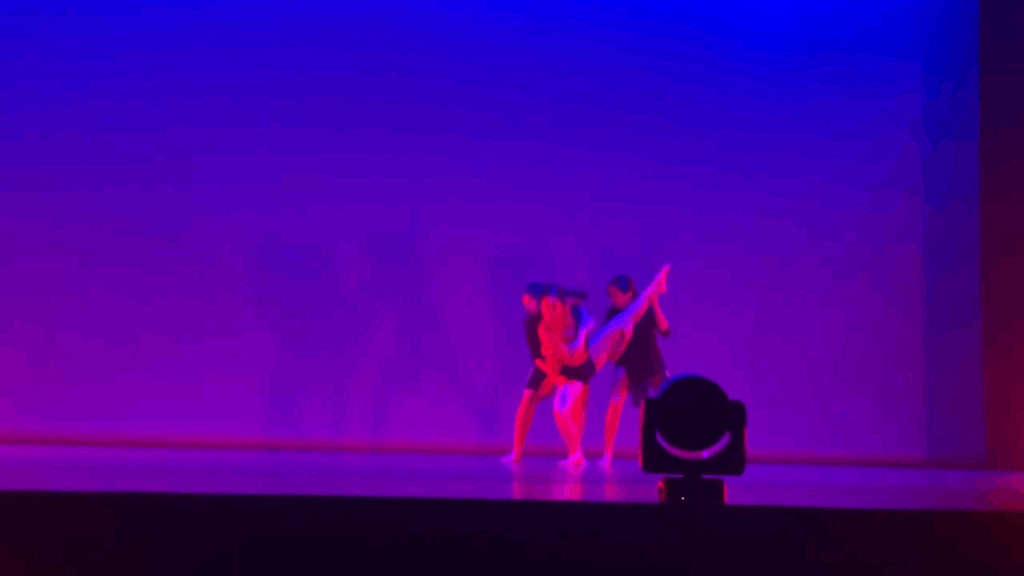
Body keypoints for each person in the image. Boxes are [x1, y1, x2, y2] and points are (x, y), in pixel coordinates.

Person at [532, 265, 671, 470]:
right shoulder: (545, 329)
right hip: (576, 371)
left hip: (595, 361)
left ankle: (655, 286)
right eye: (546, 306)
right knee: (560, 411)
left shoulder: (575, 315)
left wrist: (621, 338)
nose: (550, 310)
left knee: (625, 318)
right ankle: (576, 454)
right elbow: (569, 357)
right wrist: (557, 370)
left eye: (554, 305)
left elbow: (591, 349)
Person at [502, 283, 589, 465]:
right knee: (528, 398)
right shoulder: (532, 322)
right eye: (524, 302)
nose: (527, 306)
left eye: (530, 302)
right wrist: (552, 375)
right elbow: (536, 356)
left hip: (568, 362)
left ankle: (575, 453)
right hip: (545, 363)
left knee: (575, 402)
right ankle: (517, 451)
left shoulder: (563, 313)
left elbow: (580, 300)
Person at [598, 274, 671, 471]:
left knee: (655, 407)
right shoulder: (613, 312)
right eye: (611, 295)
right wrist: (622, 340)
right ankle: (607, 453)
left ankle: (646, 452)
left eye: (616, 295)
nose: (613, 299)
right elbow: (608, 347)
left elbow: (665, 330)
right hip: (626, 363)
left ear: (629, 293)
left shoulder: (644, 305)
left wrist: (654, 302)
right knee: (615, 404)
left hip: (651, 362)